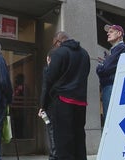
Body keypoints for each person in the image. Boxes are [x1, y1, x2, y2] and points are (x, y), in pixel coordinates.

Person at [39, 31, 90, 160]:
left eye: (54, 44)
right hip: (81, 101)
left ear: (58, 41)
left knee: (63, 141)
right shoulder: (85, 54)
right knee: (79, 138)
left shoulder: (59, 52)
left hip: (62, 101)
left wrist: (43, 105)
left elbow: (50, 78)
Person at [96, 24, 125, 120]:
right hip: (111, 86)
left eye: (111, 32)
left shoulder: (121, 48)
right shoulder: (114, 50)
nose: (108, 34)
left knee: (111, 118)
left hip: (112, 86)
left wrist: (100, 67)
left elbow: (105, 69)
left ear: (119, 34)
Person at [39, 50, 57, 160]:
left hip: (50, 106)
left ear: (48, 59)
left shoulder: (48, 70)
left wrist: (42, 106)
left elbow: (45, 88)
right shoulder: (62, 70)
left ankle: (53, 156)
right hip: (62, 105)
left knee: (51, 131)